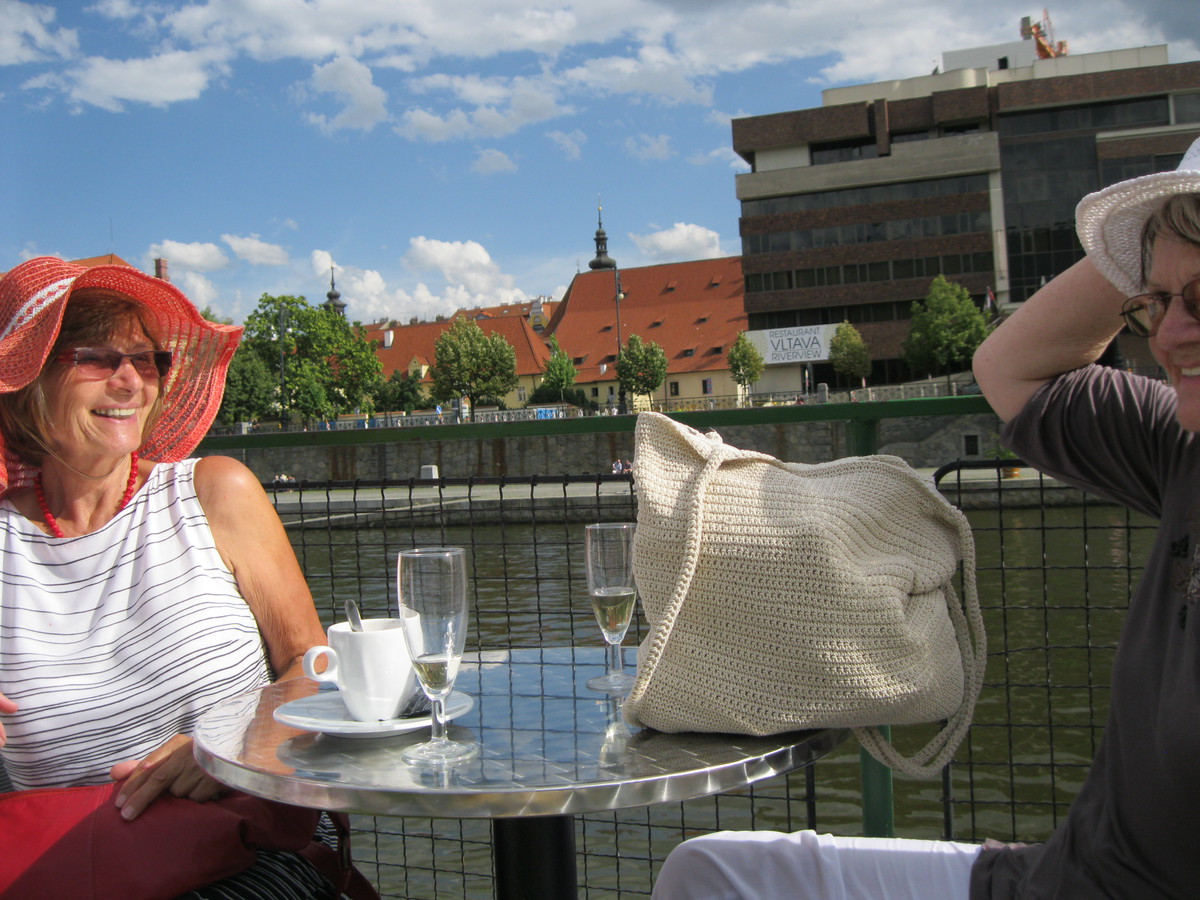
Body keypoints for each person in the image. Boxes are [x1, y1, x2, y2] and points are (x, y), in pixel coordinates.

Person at [651, 135, 1200, 900]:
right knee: (705, 872)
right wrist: (1149, 234)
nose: (1167, 335)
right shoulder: (1181, 449)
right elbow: (1008, 366)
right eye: (1156, 303)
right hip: (1049, 875)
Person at [0, 257, 336, 896]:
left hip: (244, 847)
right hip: (64, 869)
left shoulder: (215, 492)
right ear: (30, 381)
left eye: (147, 359)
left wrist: (230, 744)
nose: (131, 381)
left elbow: (313, 664)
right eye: (97, 358)